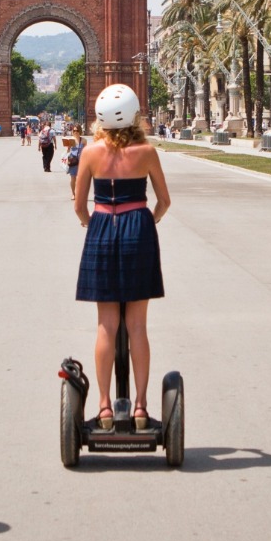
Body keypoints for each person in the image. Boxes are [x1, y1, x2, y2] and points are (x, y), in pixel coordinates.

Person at [74, 85, 170, 431]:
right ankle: (141, 407)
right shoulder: (146, 152)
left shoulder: (89, 152)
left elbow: (78, 205)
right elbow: (164, 201)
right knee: (138, 326)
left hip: (101, 228)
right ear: (134, 114)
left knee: (106, 325)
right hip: (138, 230)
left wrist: (92, 224)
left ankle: (103, 408)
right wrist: (149, 221)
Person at [65, 133, 86, 197]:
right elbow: (68, 151)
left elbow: (85, 150)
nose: (75, 132)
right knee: (73, 178)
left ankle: (80, 193)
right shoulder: (71, 139)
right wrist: (68, 146)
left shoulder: (83, 140)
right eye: (74, 130)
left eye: (77, 130)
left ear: (80, 131)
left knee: (81, 179)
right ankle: (73, 193)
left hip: (81, 161)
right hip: (73, 161)